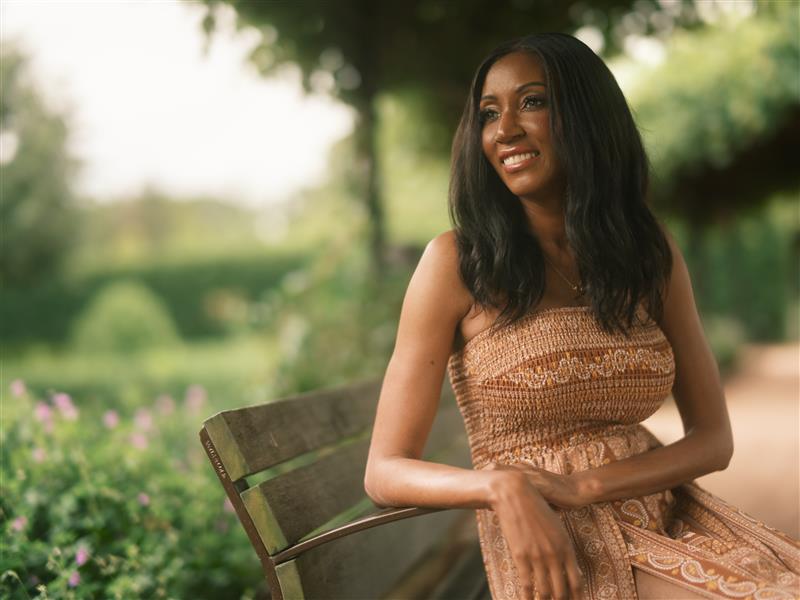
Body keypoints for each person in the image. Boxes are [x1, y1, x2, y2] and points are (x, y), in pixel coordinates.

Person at [363, 32, 800, 600]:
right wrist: (503, 488)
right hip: (554, 541)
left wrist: (584, 484)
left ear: (587, 118)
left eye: (533, 102)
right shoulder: (456, 263)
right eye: (489, 113)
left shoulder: (646, 253)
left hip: (666, 510)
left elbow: (713, 439)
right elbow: (384, 470)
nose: (505, 130)